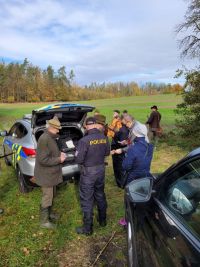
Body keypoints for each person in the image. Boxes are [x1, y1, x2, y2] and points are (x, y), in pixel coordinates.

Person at [75, 117, 110, 235]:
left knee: (87, 199)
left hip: (89, 173)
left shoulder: (84, 141)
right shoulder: (104, 137)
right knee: (100, 194)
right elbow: (107, 153)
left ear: (86, 126)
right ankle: (102, 220)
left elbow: (79, 159)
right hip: (101, 170)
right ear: (95, 125)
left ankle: (87, 228)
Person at [34, 116, 66, 229]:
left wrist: (60, 154)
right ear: (51, 128)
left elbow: (51, 153)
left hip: (51, 174)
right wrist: (59, 159)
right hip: (46, 175)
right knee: (47, 196)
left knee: (51, 195)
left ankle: (49, 214)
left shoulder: (51, 137)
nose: (58, 130)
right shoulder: (44, 139)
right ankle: (44, 221)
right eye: (57, 128)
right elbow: (43, 160)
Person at [111, 115, 129, 188]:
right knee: (121, 168)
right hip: (120, 150)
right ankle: (122, 182)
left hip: (118, 152)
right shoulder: (126, 129)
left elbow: (121, 143)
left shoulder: (123, 130)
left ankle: (121, 183)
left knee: (119, 168)